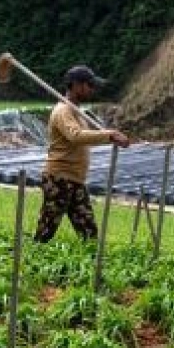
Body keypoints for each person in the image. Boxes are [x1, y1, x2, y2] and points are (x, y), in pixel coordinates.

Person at [34, 65, 130, 243]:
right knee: (46, 230)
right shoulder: (63, 111)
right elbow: (75, 136)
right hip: (59, 179)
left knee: (88, 231)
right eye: (89, 85)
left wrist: (109, 137)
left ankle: (93, 265)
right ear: (76, 85)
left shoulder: (77, 112)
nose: (92, 90)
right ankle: (27, 262)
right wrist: (109, 134)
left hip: (76, 181)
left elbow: (84, 137)